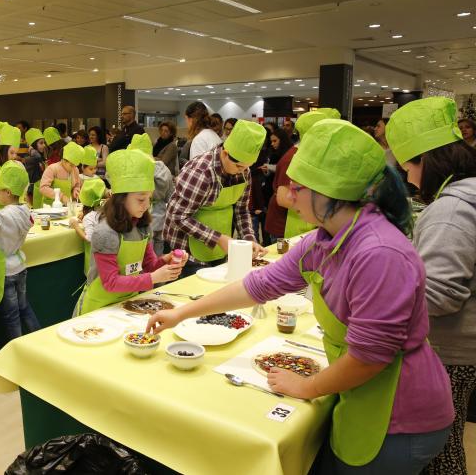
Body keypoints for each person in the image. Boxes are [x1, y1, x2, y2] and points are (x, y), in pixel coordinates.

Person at [149, 118, 454, 474]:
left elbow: (370, 357)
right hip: (361, 397)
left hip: (400, 412)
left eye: (298, 188)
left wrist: (308, 386)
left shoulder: (380, 253)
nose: (289, 196)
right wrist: (183, 313)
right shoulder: (321, 240)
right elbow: (258, 285)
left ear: (330, 193)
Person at [385, 97, 476, 475]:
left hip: (453, 350)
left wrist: (385, 289)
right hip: (464, 348)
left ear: (429, 161)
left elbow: (441, 294)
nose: (407, 177)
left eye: (409, 166)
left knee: (440, 446)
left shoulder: (451, 210)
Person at [74, 149, 185, 315]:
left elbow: (149, 266)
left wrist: (166, 261)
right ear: (121, 198)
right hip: (98, 308)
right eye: (141, 199)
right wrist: (154, 278)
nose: (147, 205)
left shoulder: (142, 226)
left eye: (149, 198)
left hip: (128, 303)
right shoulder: (105, 233)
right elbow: (110, 282)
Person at [164, 121, 268, 277]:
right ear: (225, 153)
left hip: (219, 249)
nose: (243, 172)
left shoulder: (244, 171)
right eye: (239, 166)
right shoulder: (201, 172)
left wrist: (248, 240)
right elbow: (177, 215)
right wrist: (218, 238)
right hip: (186, 252)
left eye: (247, 167)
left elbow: (241, 211)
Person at [0, 160, 40, 340]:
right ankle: (38, 340)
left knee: (11, 316)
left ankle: (15, 350)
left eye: (0, 190)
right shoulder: (26, 211)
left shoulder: (1, 216)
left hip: (6, 270)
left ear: (8, 192)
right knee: (25, 307)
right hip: (20, 265)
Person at [264, 108, 340, 241]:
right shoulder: (293, 157)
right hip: (284, 226)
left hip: (303, 223)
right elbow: (282, 198)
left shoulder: (313, 156)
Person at [129, 134, 174, 257]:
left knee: (146, 258)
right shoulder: (164, 169)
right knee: (158, 256)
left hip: (144, 219)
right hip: (161, 219)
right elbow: (171, 196)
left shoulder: (136, 171)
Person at [69, 178, 105, 275]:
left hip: (94, 259)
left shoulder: (89, 217)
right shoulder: (103, 210)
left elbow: (89, 238)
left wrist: (76, 226)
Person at [0, 122, 21, 210]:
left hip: (18, 208)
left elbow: (25, 185)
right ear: (4, 151)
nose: (14, 156)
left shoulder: (19, 165)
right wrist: (10, 202)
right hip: (0, 210)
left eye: (16, 153)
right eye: (12, 153)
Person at [23, 128, 46, 208]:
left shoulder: (40, 157)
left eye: (44, 143)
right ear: (34, 145)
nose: (44, 145)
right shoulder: (31, 159)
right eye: (41, 143)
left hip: (39, 189)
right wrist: (32, 149)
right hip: (32, 191)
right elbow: (37, 156)